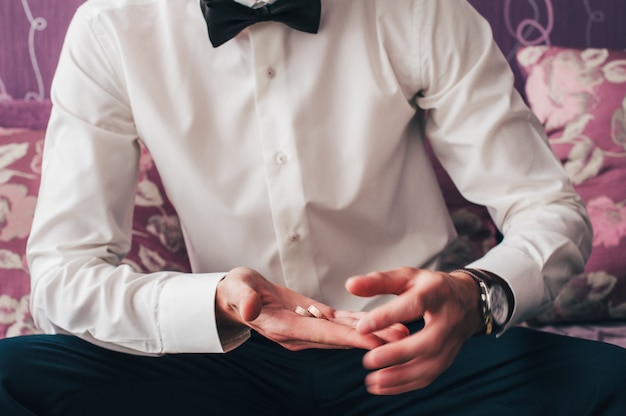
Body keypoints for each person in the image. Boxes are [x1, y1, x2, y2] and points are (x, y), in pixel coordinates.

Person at [1, 0, 625, 414]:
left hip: (410, 355)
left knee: (613, 385)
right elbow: (63, 277)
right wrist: (214, 300)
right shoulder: (111, 25)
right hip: (219, 360)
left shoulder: (419, 8)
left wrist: (474, 295)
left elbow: (549, 209)